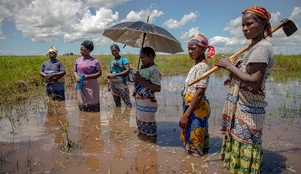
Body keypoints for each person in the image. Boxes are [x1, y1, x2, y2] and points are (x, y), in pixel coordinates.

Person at [215, 6, 274, 173]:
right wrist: (233, 65)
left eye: (249, 24)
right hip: (242, 108)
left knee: (246, 147)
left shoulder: (262, 48)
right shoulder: (253, 47)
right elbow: (244, 73)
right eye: (243, 25)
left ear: (262, 24)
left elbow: (255, 82)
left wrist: (228, 66)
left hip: (249, 110)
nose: (245, 28)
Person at [178, 33, 215, 156]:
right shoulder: (197, 64)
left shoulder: (203, 67)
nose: (190, 51)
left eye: (193, 48)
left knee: (196, 135)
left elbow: (199, 93)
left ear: (203, 49)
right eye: (188, 48)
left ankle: (196, 163)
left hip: (195, 108)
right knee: (192, 134)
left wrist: (186, 115)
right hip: (192, 108)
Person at [133, 47, 161, 137]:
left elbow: (157, 88)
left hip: (148, 103)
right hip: (141, 103)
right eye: (140, 58)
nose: (141, 60)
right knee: (142, 127)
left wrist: (140, 80)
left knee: (149, 131)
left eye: (143, 57)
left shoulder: (154, 69)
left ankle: (151, 145)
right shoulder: (144, 68)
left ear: (150, 56)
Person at [74, 40, 102, 112]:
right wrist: (76, 76)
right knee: (82, 105)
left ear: (89, 50)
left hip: (91, 86)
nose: (81, 51)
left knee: (93, 106)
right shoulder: (78, 60)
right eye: (80, 49)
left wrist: (87, 77)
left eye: (83, 50)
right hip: (81, 85)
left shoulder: (94, 61)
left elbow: (99, 73)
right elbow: (75, 71)